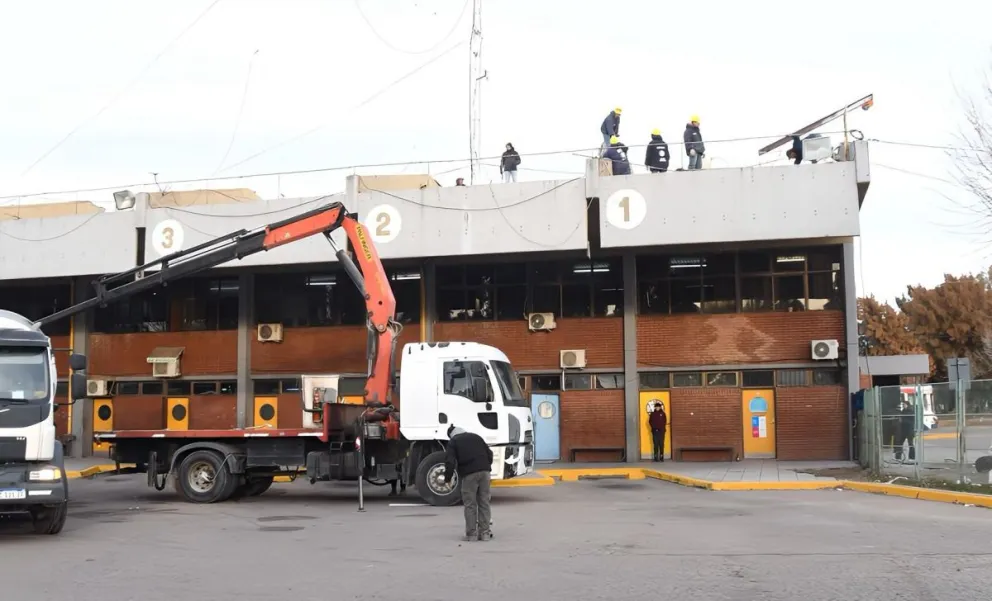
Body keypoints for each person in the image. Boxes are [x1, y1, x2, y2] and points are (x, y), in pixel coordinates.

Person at [443, 424, 494, 541]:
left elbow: (450, 461)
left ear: (451, 435)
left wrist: (447, 478)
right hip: (485, 472)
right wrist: (484, 466)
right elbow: (489, 454)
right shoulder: (476, 437)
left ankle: (471, 534)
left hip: (469, 474)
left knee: (470, 504)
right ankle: (485, 533)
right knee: (484, 502)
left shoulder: (454, 441)